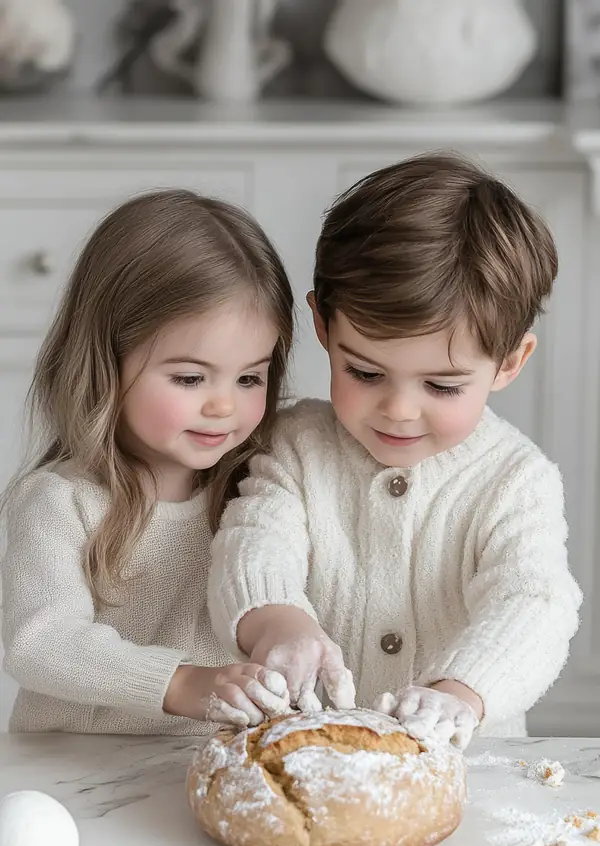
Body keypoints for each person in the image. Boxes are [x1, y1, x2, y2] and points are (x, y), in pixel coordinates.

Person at [208, 152, 582, 746]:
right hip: (309, 751)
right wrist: (282, 624)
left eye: (442, 385)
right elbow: (255, 541)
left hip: (465, 764)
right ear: (324, 328)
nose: (399, 409)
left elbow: (532, 602)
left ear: (510, 362)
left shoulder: (517, 479)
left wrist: (460, 691)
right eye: (365, 372)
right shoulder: (294, 444)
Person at [1, 189, 294, 734]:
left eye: (250, 377)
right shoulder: (59, 501)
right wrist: (181, 683)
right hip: (73, 776)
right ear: (106, 361)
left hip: (193, 774)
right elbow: (38, 643)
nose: (223, 405)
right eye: (189, 377)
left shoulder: (259, 492)